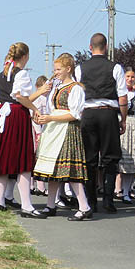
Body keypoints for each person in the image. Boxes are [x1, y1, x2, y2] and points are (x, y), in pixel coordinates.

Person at [0, 42, 46, 217]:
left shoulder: (2, 74)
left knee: (2, 158)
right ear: (25, 56)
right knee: (23, 161)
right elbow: (20, 96)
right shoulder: (21, 73)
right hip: (16, 115)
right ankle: (27, 205)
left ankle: (0, 201)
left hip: (2, 114)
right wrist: (35, 109)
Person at [33, 53, 92, 220]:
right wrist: (45, 117)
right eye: (54, 69)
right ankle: (51, 204)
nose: (55, 72)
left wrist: (51, 118)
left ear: (68, 69)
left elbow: (75, 114)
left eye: (58, 69)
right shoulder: (57, 87)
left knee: (71, 171)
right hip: (54, 130)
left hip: (68, 130)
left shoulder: (76, 88)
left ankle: (84, 206)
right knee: (53, 170)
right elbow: (52, 109)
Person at [76, 33, 128, 214]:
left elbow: (77, 95)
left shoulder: (80, 68)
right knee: (110, 159)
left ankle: (91, 200)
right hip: (108, 113)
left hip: (88, 113)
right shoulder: (115, 68)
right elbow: (122, 96)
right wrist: (123, 119)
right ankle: (108, 199)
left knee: (89, 159)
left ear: (90, 47)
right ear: (106, 47)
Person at [116, 67, 135, 204]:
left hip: (133, 125)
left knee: (132, 162)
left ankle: (127, 191)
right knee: (119, 160)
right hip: (118, 124)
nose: (130, 79)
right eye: (127, 77)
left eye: (132, 77)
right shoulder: (117, 93)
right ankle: (117, 189)